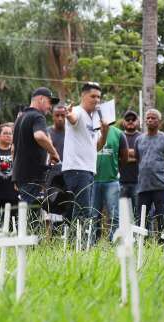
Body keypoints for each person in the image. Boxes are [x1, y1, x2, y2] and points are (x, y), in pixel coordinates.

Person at [62, 82, 108, 221]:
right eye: (93, 96)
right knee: (82, 213)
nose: (97, 100)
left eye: (99, 97)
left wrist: (105, 132)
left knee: (80, 213)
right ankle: (76, 242)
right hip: (76, 169)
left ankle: (73, 242)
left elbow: (98, 146)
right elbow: (72, 118)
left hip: (87, 170)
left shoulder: (94, 118)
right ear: (83, 95)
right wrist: (68, 115)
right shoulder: (77, 111)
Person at [12, 87, 60, 205]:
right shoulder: (38, 116)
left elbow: (13, 149)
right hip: (33, 176)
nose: (50, 107)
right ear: (41, 99)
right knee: (31, 216)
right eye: (49, 102)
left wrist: (15, 175)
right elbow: (39, 136)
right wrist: (54, 153)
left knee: (25, 213)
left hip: (22, 176)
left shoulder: (20, 118)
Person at [135, 109, 164, 236]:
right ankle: (141, 242)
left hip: (160, 185)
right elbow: (138, 158)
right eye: (148, 118)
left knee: (162, 217)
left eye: (153, 118)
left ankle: (163, 241)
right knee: (141, 218)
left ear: (159, 121)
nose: (150, 120)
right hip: (143, 186)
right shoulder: (139, 139)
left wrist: (160, 168)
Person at [91, 122, 128, 241]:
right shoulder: (91, 130)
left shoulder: (118, 133)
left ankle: (113, 242)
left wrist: (114, 169)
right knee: (93, 215)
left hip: (111, 181)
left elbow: (125, 157)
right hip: (93, 180)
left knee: (114, 216)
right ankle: (92, 242)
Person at [119, 110, 141, 221]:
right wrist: (134, 154)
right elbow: (116, 156)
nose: (130, 121)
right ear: (123, 122)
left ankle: (142, 238)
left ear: (138, 121)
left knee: (140, 215)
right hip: (120, 181)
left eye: (133, 119)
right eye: (128, 119)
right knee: (121, 216)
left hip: (138, 182)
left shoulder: (142, 137)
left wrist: (125, 155)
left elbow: (143, 156)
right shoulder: (119, 136)